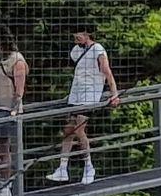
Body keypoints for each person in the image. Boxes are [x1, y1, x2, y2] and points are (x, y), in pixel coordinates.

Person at [47, 28, 118, 185]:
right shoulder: (76, 51)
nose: (75, 36)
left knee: (79, 129)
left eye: (79, 34)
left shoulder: (98, 49)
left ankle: (88, 167)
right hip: (76, 94)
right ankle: (62, 168)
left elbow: (107, 72)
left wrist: (114, 94)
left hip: (90, 95)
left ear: (87, 34)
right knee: (68, 130)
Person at [0, 29, 27, 196]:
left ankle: (5, 187)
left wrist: (15, 110)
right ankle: (2, 180)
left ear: (1, 39)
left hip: (6, 109)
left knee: (4, 148)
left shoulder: (17, 60)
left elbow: (20, 88)